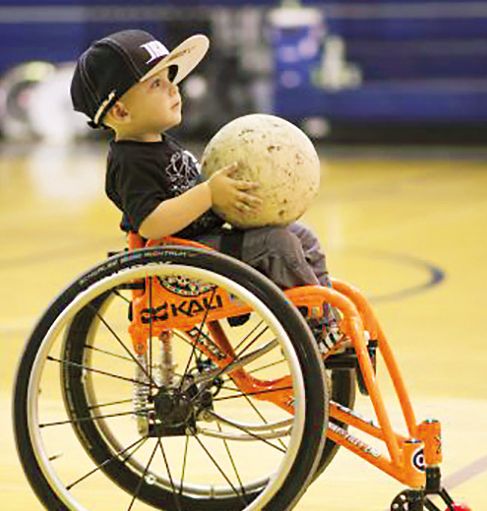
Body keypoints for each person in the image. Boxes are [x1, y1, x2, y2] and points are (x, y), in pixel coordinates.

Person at [70, 29, 339, 349]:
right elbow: (151, 223)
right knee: (278, 244)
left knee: (302, 237)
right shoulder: (130, 161)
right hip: (179, 264)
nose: (174, 89)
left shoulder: (159, 144)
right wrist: (209, 193)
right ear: (121, 112)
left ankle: (328, 315)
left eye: (171, 79)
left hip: (205, 249)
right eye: (157, 83)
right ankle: (315, 330)